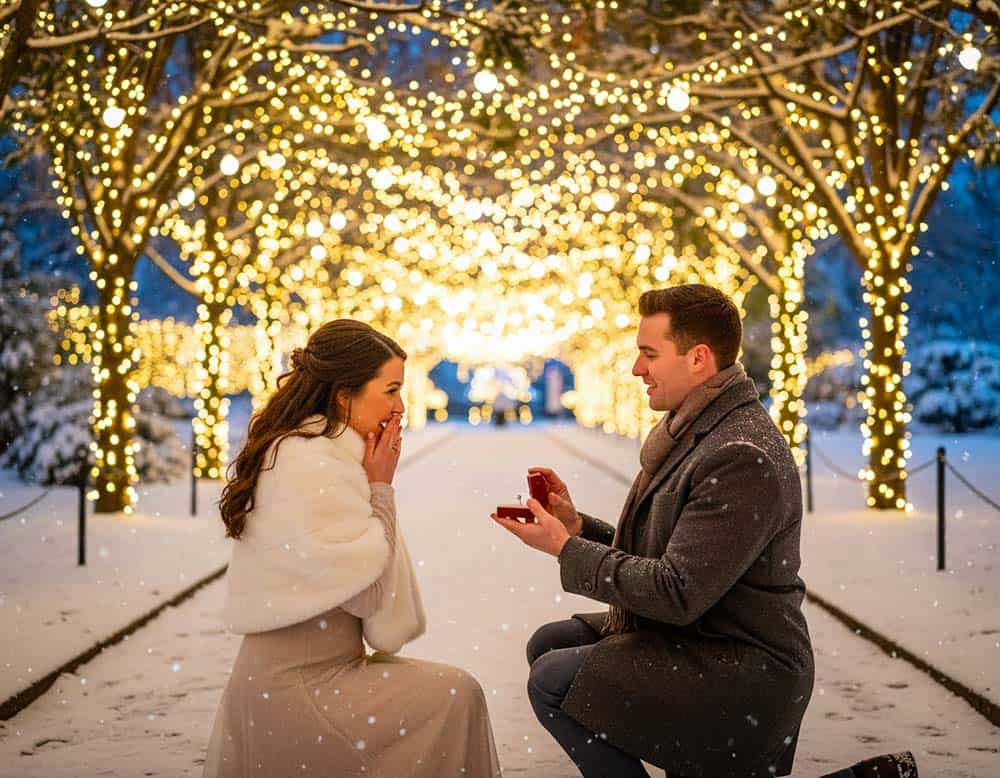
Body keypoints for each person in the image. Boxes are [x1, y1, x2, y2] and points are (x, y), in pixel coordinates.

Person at [492, 284, 815, 778]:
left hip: (743, 667)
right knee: (550, 644)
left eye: (649, 354)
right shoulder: (697, 430)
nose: (637, 369)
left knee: (554, 679)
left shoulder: (738, 455)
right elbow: (669, 556)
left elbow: (676, 591)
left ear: (698, 359)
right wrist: (576, 528)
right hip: (700, 635)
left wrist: (565, 548)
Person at [203, 319, 501, 778]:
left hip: (307, 680)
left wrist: (373, 483)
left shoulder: (317, 452)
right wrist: (380, 488)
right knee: (455, 695)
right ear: (345, 394)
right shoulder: (312, 463)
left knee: (453, 694)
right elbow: (366, 598)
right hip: (296, 691)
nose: (400, 408)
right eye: (391, 390)